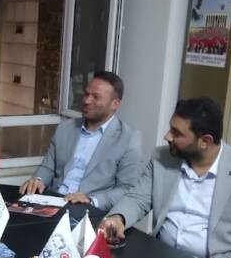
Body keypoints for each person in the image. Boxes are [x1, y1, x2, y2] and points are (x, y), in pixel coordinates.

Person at [100, 97, 231, 258]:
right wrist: (118, 218)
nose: (167, 136)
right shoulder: (162, 158)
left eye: (177, 133)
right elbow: (138, 198)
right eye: (170, 128)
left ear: (205, 141)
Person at [19, 71, 142, 209]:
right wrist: (38, 179)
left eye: (96, 97)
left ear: (115, 104)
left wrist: (91, 200)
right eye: (86, 94)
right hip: (52, 203)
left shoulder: (128, 138)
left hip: (88, 211)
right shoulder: (65, 128)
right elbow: (48, 167)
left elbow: (127, 189)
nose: (86, 101)